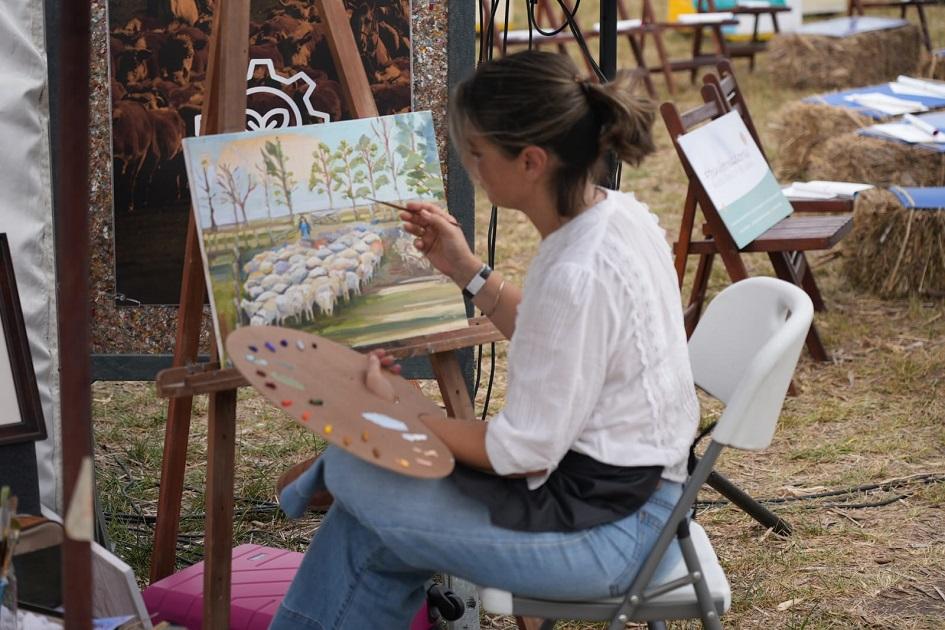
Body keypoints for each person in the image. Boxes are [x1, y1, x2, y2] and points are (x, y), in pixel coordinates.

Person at [270, 50, 700, 629]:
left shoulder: (576, 270)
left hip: (616, 537)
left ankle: (312, 484)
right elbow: (561, 339)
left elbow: (520, 452)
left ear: (530, 161)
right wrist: (465, 268)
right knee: (366, 522)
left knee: (355, 473)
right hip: (638, 502)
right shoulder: (618, 217)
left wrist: (398, 422)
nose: (469, 165)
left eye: (477, 152)